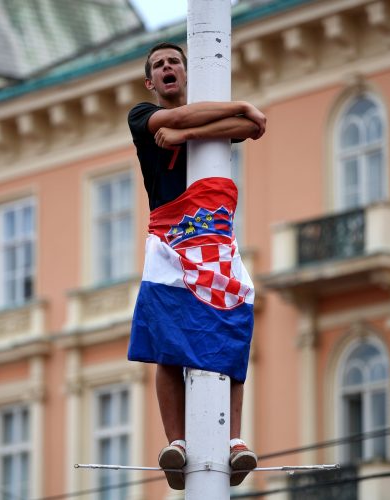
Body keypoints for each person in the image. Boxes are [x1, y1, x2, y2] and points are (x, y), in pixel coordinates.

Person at [127, 42, 266, 490]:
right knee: (167, 342)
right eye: (160, 66)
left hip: (214, 238)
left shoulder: (194, 122)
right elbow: (176, 119)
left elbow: (252, 124)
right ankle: (178, 442)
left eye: (175, 62)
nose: (168, 68)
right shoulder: (141, 115)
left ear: (188, 73)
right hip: (170, 238)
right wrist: (212, 122)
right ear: (151, 82)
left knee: (232, 325)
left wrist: (194, 132)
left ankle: (234, 440)